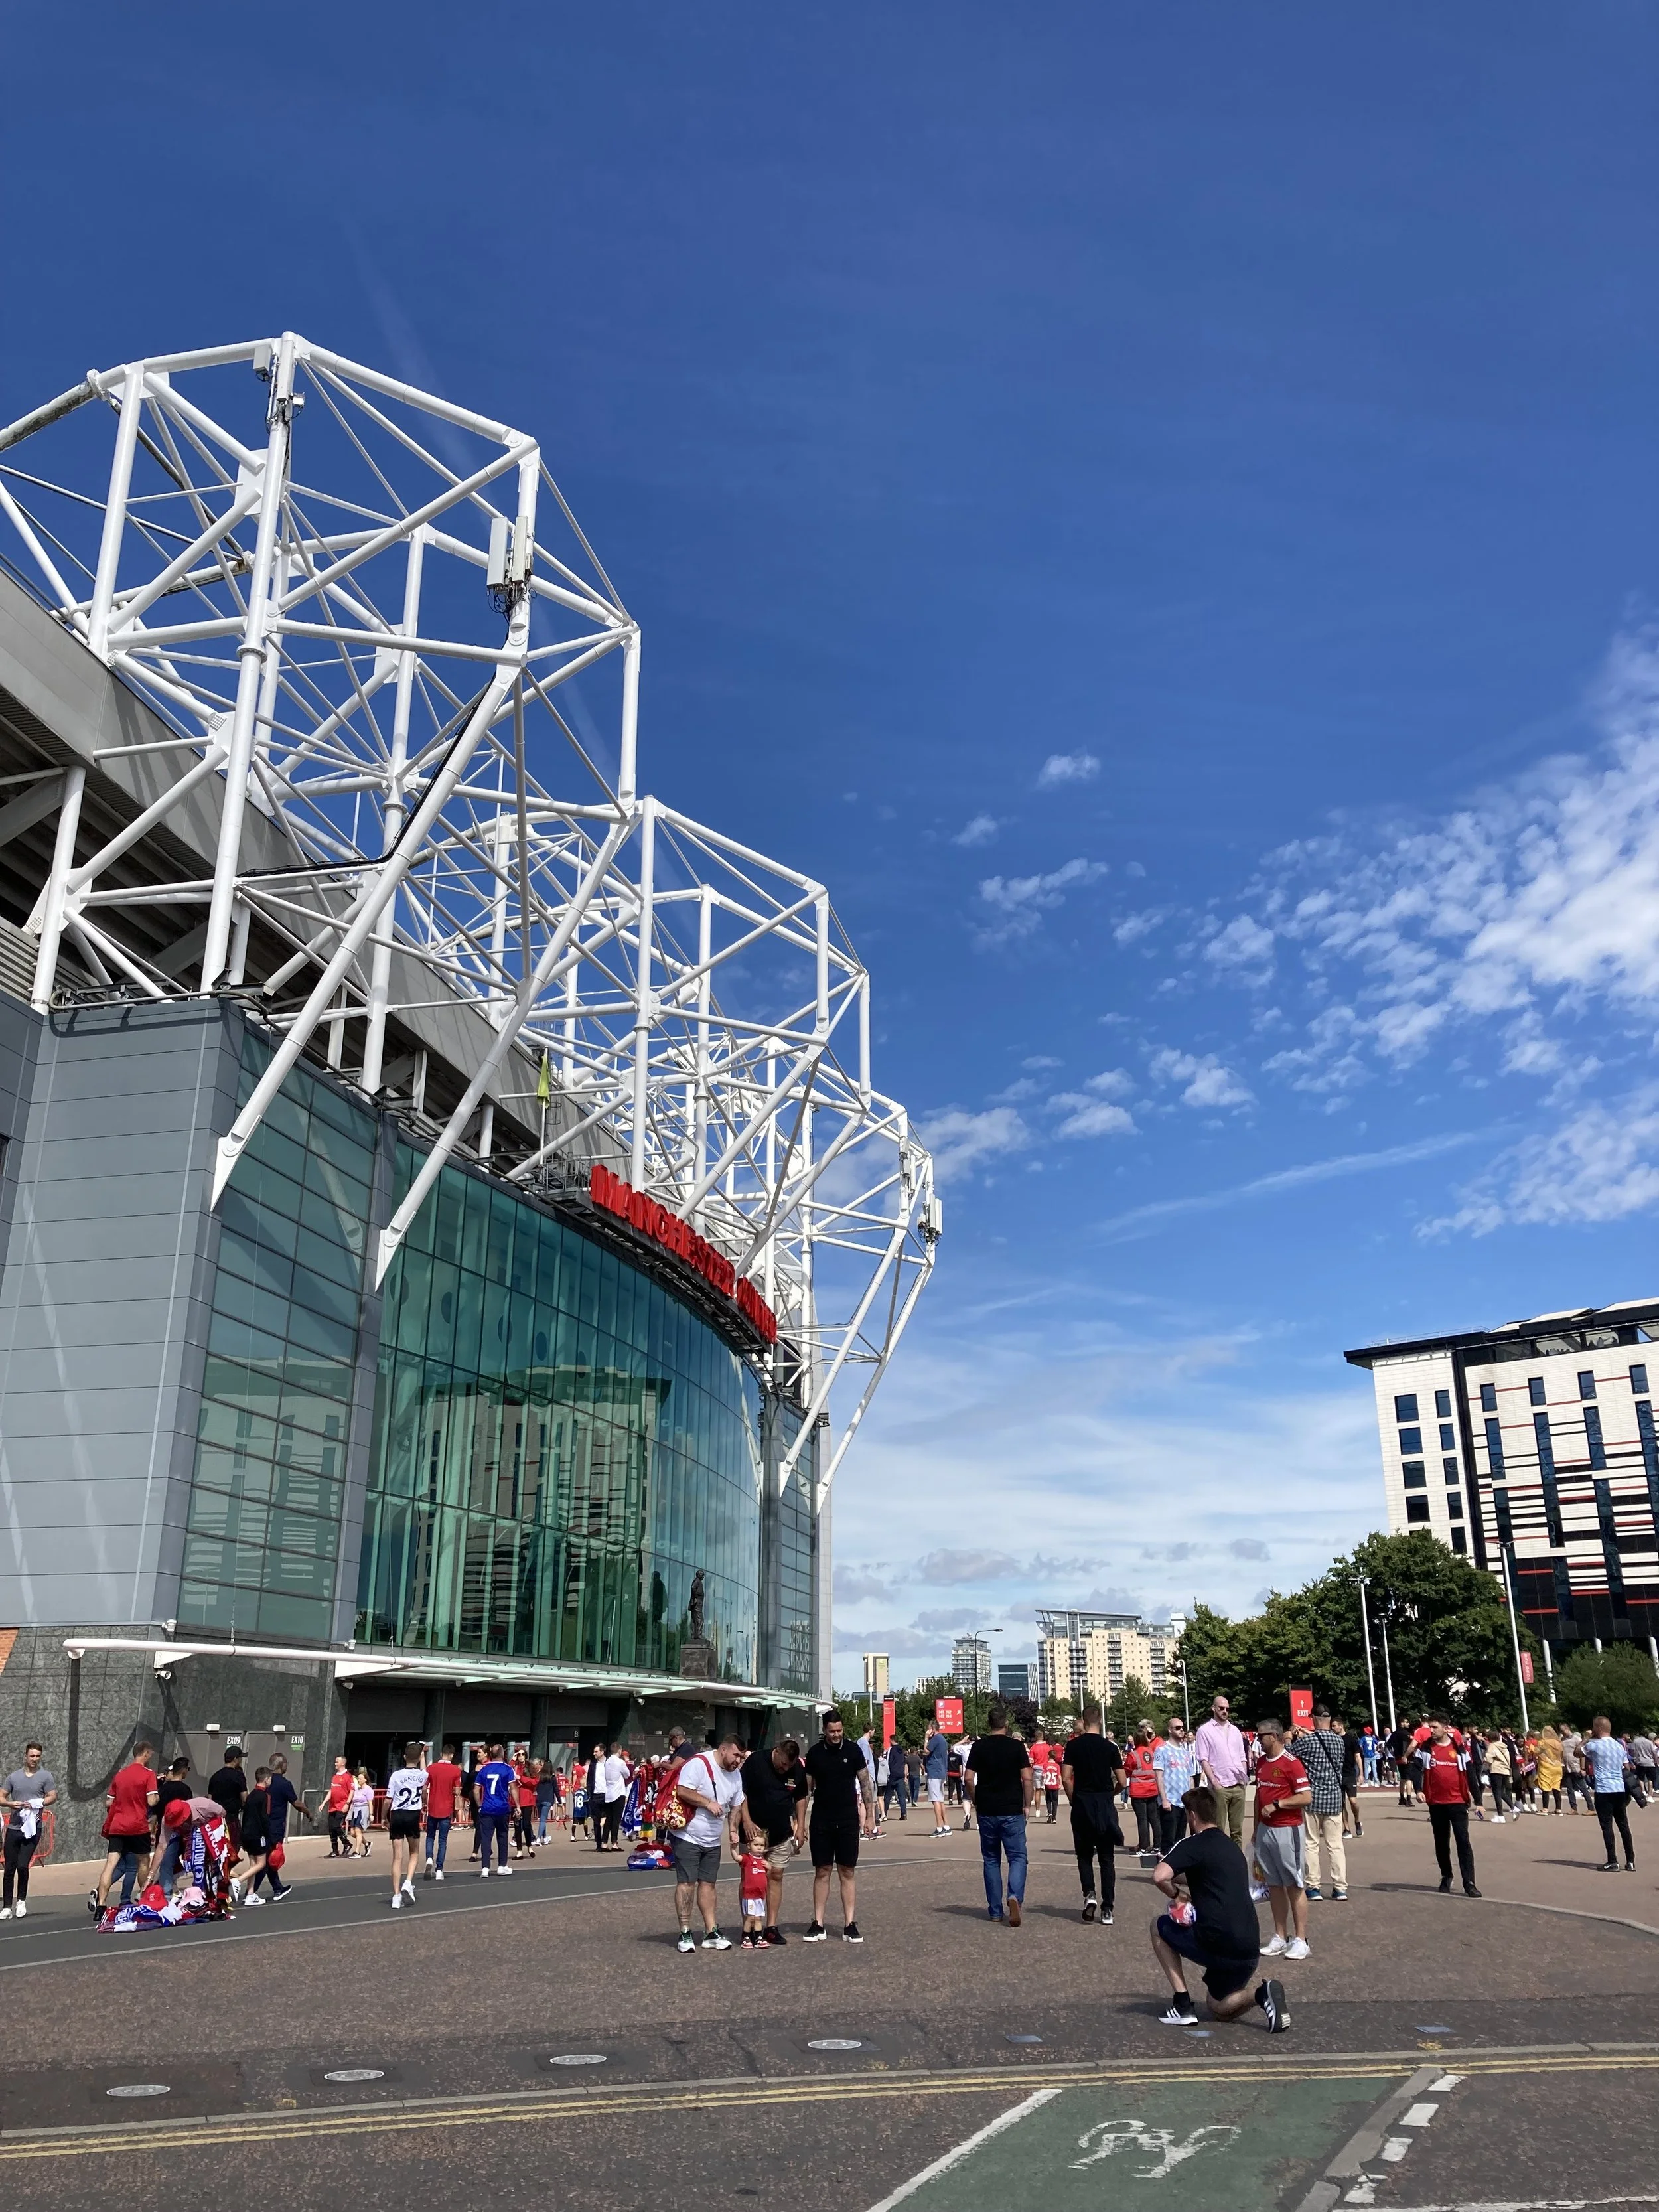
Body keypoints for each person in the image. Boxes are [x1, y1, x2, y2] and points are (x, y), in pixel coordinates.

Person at [1151, 1784, 1288, 2033]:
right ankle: (1261, 1994)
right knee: (1218, 2008)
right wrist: (1184, 1881)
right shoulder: (1231, 1848)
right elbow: (1208, 1877)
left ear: (1192, 1816)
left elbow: (1160, 1876)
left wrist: (1177, 1895)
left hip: (1218, 1941)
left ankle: (1182, 2004)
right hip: (1248, 1946)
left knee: (1157, 1927)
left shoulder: (1193, 1843)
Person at [672, 1735, 745, 1951]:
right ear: (723, 1750)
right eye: (736, 1755)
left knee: (709, 1884)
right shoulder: (699, 1764)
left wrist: (732, 1829)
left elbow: (737, 1805)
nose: (738, 1761)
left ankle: (711, 1931)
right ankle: (685, 1933)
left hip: (713, 1840)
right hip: (688, 1836)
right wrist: (707, 1803)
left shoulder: (736, 1775)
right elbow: (682, 1790)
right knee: (687, 1883)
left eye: (741, 1757)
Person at [804, 1710, 871, 1943]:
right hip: (821, 1819)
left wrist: (870, 1815)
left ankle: (849, 1924)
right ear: (825, 1730)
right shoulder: (814, 1754)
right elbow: (807, 1790)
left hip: (848, 1820)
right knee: (822, 1871)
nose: (836, 1735)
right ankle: (818, 1923)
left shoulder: (853, 1751)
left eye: (839, 1730)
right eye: (832, 1731)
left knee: (847, 1871)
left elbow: (865, 1783)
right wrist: (799, 1821)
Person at [965, 1705, 1033, 1927]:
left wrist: (975, 1798)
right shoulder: (1016, 1747)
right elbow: (1027, 1778)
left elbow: (968, 1778)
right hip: (1011, 1809)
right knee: (1017, 1857)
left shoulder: (979, 1747)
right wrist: (1027, 1804)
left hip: (987, 1809)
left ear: (989, 1723)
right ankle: (1014, 1897)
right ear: (1006, 1724)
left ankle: (995, 1910)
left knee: (992, 1860)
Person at [1250, 1718, 1311, 1961]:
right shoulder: (1262, 1763)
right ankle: (1280, 1935)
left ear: (1273, 1736)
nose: (1258, 1740)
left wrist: (1279, 1804)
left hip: (1288, 1830)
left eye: (1261, 1736)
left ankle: (1301, 1939)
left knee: (1294, 1883)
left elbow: (1306, 1796)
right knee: (1273, 1884)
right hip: (1266, 1831)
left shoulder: (1292, 1764)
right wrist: (1255, 1829)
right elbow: (1258, 1797)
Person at [739, 1737, 806, 1947]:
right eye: (783, 1764)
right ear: (777, 1751)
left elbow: (802, 1797)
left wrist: (801, 1826)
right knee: (750, 1879)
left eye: (790, 1766)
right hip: (752, 1833)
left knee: (776, 1875)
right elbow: (740, 1792)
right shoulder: (756, 1762)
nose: (785, 1769)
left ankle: (771, 1926)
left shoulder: (796, 1770)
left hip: (780, 1834)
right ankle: (748, 1927)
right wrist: (746, 1820)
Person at [1061, 1705, 1125, 1924]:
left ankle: (1090, 1894)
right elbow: (1123, 1781)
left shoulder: (1073, 1746)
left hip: (1082, 1803)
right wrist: (1112, 1793)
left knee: (1084, 1855)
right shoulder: (1110, 1748)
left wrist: (1073, 1798)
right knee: (1107, 1859)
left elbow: (1066, 1777)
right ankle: (1108, 1909)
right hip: (1104, 1804)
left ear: (1083, 1721)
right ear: (1100, 1721)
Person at [92, 1741, 158, 1915]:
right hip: (137, 1826)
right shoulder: (149, 1774)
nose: (150, 1757)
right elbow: (152, 1801)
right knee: (143, 1861)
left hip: (118, 1826)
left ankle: (101, 1905)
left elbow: (109, 1802)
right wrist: (156, 1796)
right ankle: (144, 1899)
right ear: (145, 1754)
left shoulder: (120, 1775)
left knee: (110, 1864)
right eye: (150, 1754)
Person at [1420, 1717, 1480, 1896]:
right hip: (1436, 1803)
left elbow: (1470, 1775)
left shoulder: (1459, 1749)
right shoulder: (1426, 1748)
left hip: (1458, 1802)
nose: (1431, 1730)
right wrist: (1418, 1789)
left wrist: (1479, 1802)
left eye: (1435, 1727)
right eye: (1430, 1727)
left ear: (1446, 1729)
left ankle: (1469, 1882)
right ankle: (1446, 1875)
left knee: (1463, 1841)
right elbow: (1415, 1768)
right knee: (1441, 1842)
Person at [1297, 1709, 1348, 1903]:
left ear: (1314, 1719)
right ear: (1329, 1720)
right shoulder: (1339, 1741)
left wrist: (1289, 1738)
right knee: (1336, 1845)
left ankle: (1314, 1886)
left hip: (1313, 1798)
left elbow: (1290, 1754)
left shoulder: (1307, 1741)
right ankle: (1340, 1887)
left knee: (1311, 1844)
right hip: (1335, 1798)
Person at [0, 1742, 56, 1920]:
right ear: (26, 1756)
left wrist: (38, 1803)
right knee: (9, 1868)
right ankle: (7, 1906)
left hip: (33, 1829)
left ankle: (21, 1901)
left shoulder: (45, 1776)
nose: (34, 1759)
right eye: (32, 1756)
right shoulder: (14, 1777)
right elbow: (1, 1796)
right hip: (15, 1828)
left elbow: (53, 1796)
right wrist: (10, 1804)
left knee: (23, 1865)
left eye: (38, 1756)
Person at [1583, 1715, 1635, 1872]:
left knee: (1607, 1826)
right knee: (1624, 1825)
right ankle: (1631, 1860)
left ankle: (1612, 1860)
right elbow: (1627, 1767)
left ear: (1598, 1729)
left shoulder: (1594, 1745)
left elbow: (1578, 1752)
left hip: (1604, 1790)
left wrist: (1586, 1738)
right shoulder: (1619, 1746)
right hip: (1619, 1789)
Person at [1194, 1695, 1249, 1846]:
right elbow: (1203, 1759)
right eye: (1221, 1708)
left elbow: (1242, 1756)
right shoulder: (1204, 1731)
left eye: (1227, 1709)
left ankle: (1236, 1861)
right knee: (1218, 1830)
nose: (1225, 1711)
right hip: (1220, 1786)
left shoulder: (1235, 1730)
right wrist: (1215, 1783)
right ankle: (1220, 1861)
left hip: (1238, 1785)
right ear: (1214, 1708)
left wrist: (1243, 1780)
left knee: (1237, 1830)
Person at [384, 1742, 428, 1909]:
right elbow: (424, 1770)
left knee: (397, 1857)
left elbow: (388, 1799)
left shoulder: (396, 1775)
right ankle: (408, 1882)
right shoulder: (423, 1776)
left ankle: (396, 1895)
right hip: (413, 1815)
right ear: (419, 1759)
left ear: (404, 1757)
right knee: (415, 1852)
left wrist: (383, 1817)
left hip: (397, 1814)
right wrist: (422, 1755)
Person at [261, 1753, 311, 1898]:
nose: (287, 1766)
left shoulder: (265, 1781)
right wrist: (308, 1812)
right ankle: (250, 1893)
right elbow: (296, 1803)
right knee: (268, 1860)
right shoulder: (284, 1784)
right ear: (281, 1765)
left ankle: (278, 1888)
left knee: (269, 1859)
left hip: (263, 1824)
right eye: (286, 1763)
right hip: (276, 1826)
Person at [1152, 1717, 1200, 1855]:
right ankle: (1164, 1871)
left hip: (1184, 1803)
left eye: (1182, 1728)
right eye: (1177, 1728)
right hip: (1170, 1803)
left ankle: (1176, 1872)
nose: (1181, 1730)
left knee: (1180, 1840)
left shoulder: (1185, 1753)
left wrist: (1192, 1800)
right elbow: (1159, 1776)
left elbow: (1191, 1777)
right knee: (1168, 1840)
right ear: (1170, 1730)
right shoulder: (1162, 1751)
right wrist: (1164, 1800)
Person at [152, 1756, 194, 1895]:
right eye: (187, 1769)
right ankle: (166, 1892)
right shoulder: (185, 1790)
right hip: (178, 1832)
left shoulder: (163, 1790)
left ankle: (165, 1887)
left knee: (168, 1861)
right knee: (168, 1862)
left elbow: (156, 1811)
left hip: (163, 1830)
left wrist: (153, 1830)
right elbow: (189, 1812)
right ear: (183, 1771)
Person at [475, 1742, 516, 1876]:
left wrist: (480, 1805)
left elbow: (476, 1790)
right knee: (503, 1836)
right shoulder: (507, 1769)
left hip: (487, 1808)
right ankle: (502, 1865)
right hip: (502, 1808)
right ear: (503, 1755)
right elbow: (513, 1788)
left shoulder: (484, 1769)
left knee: (486, 1838)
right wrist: (518, 1806)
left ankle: (485, 1867)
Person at [1124, 1722, 1163, 1861]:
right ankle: (1158, 1846)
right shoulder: (1152, 1753)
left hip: (1139, 1792)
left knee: (1142, 1820)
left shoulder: (1133, 1755)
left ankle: (1144, 1847)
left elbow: (1127, 1770)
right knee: (1154, 1819)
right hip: (1152, 1790)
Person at [424, 1742, 462, 1878]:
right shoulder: (456, 1771)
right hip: (446, 1808)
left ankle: (429, 1858)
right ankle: (439, 1869)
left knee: (430, 1836)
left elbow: (424, 1788)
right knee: (443, 1840)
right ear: (451, 1755)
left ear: (441, 1754)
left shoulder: (431, 1768)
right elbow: (457, 1791)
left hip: (433, 1806)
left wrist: (424, 1802)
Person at [240, 1766, 275, 1903]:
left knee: (253, 1863)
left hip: (247, 1833)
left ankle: (250, 1894)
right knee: (261, 1864)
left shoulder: (251, 1795)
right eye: (270, 1779)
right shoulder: (265, 1796)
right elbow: (265, 1817)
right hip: (258, 1835)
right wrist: (269, 1836)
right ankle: (238, 1880)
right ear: (266, 1780)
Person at [207, 1744, 249, 1840]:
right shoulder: (239, 1776)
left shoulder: (215, 1777)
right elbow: (245, 1799)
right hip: (231, 1818)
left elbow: (210, 1799)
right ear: (235, 1759)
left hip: (216, 1819)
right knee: (233, 1848)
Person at [324, 1756, 354, 1858]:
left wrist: (348, 1803)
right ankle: (335, 1850)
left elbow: (352, 1790)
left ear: (343, 1763)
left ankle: (347, 1843)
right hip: (333, 1806)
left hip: (342, 1806)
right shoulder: (335, 1776)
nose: (335, 1764)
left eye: (337, 1762)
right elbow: (332, 1790)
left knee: (337, 1826)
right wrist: (324, 1802)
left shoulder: (348, 1776)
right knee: (331, 1829)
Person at [924, 1724, 951, 1836]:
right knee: (940, 1800)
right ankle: (946, 1826)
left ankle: (939, 1828)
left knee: (935, 1801)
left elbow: (926, 1751)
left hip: (934, 1771)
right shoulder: (943, 1739)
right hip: (941, 1771)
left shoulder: (935, 1739)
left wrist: (926, 1738)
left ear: (933, 1729)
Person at [1338, 1716, 1363, 1839]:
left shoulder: (1352, 1739)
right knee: (1341, 1804)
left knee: (1353, 1801)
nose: (1333, 1728)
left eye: (1335, 1726)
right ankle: (1346, 1829)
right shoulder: (1333, 1740)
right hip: (1338, 1775)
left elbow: (1358, 1757)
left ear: (1341, 1726)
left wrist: (1361, 1774)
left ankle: (1357, 1821)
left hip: (1350, 1774)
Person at [1486, 1730, 1516, 1820]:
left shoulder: (1492, 1746)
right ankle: (1514, 1808)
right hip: (1505, 1770)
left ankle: (1501, 1815)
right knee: (1502, 1792)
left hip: (1496, 1770)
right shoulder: (1504, 1746)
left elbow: (1489, 1759)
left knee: (1497, 1793)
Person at [513, 1759, 539, 1859]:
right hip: (516, 1801)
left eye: (522, 1754)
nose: (520, 1756)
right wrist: (512, 1760)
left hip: (527, 1800)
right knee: (517, 1827)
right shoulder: (514, 1767)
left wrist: (521, 1778)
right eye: (518, 1754)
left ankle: (529, 1846)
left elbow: (535, 1781)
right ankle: (519, 1851)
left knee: (526, 1825)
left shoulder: (529, 1768)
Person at [348, 1765, 375, 1856]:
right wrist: (349, 1814)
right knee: (352, 1833)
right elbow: (353, 1801)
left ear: (365, 1780)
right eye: (358, 1779)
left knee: (358, 1830)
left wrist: (371, 1815)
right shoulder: (357, 1789)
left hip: (363, 1810)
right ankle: (367, 1843)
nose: (359, 1780)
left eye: (360, 1779)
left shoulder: (369, 1790)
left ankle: (357, 1851)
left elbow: (370, 1802)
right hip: (355, 1810)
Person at [1560, 1726, 1587, 1815]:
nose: (1563, 1733)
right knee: (1570, 1790)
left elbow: (1582, 1754)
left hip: (1577, 1768)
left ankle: (1591, 1808)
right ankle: (1574, 1808)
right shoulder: (1562, 1740)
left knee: (1583, 1789)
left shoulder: (1577, 1739)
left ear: (1567, 1728)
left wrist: (1583, 1768)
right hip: (1567, 1769)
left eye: (1563, 1730)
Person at [536, 1760, 563, 1844]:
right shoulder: (553, 1778)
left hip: (539, 1799)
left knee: (542, 1819)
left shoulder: (539, 1776)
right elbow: (556, 1790)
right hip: (548, 1800)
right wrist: (560, 1801)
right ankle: (539, 1838)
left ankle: (545, 1837)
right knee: (543, 1820)